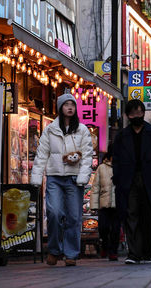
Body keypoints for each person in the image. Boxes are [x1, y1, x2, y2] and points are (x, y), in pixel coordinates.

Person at [31, 93, 94, 267]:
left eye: (72, 104)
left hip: (74, 179)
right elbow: (42, 154)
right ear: (60, 108)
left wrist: (83, 176)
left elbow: (88, 155)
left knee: (74, 217)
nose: (69, 107)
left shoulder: (82, 129)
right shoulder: (50, 129)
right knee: (54, 213)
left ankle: (71, 253)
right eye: (66, 104)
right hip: (54, 178)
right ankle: (54, 250)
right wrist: (36, 177)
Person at [112, 99, 151, 264]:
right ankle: (134, 253)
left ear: (144, 113)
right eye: (133, 113)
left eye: (139, 112)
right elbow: (115, 159)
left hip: (150, 179)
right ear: (128, 115)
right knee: (131, 214)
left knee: (148, 214)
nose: (136, 116)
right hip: (128, 179)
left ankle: (147, 251)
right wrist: (117, 176)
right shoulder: (122, 136)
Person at [90, 151, 119, 261]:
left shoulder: (122, 166)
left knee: (116, 229)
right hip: (104, 204)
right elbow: (95, 187)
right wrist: (94, 205)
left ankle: (113, 252)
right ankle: (105, 246)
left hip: (117, 204)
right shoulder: (101, 168)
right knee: (103, 227)